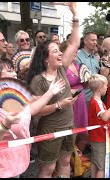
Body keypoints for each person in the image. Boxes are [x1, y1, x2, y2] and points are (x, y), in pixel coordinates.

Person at [0, 56, 65, 178]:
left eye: (14, 69)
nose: (15, 73)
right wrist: (4, 125)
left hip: (12, 168)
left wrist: (50, 93)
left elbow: (30, 110)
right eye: (9, 70)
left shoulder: (11, 95)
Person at [25, 2, 80, 178]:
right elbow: (36, 112)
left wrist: (75, 14)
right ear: (45, 58)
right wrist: (59, 105)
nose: (60, 53)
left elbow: (75, 43)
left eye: (59, 51)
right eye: (55, 51)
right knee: (48, 169)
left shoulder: (62, 69)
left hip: (68, 125)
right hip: (49, 130)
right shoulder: (38, 80)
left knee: (65, 163)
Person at [87, 74, 110, 178]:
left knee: (94, 162)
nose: (107, 88)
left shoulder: (96, 101)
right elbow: (105, 117)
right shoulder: (96, 103)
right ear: (100, 88)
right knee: (102, 167)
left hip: (96, 136)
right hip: (99, 138)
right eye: (106, 85)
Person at [61, 41, 89, 154]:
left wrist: (87, 81)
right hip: (70, 103)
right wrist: (70, 91)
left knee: (84, 135)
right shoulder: (62, 67)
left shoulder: (78, 65)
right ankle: (68, 163)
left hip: (81, 102)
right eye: (73, 50)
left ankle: (76, 161)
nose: (76, 52)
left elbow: (85, 86)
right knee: (70, 136)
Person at [76, 32, 99, 106]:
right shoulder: (77, 57)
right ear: (85, 41)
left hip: (95, 97)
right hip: (83, 97)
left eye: (96, 40)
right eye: (92, 40)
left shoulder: (95, 58)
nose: (95, 42)